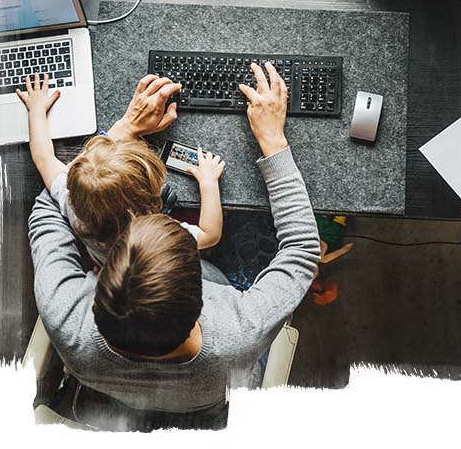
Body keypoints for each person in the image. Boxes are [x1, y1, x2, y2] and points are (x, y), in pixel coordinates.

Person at [27, 62, 321, 426]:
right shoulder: (240, 331)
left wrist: (121, 134)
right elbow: (302, 251)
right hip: (210, 410)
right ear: (201, 295)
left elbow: (50, 204)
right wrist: (273, 140)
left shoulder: (64, 316)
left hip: (112, 401)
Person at [16, 73, 225, 265]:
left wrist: (36, 111)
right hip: (150, 262)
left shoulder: (72, 203)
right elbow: (210, 234)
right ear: (150, 200)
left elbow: (44, 158)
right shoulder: (157, 235)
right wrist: (209, 183)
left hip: (107, 262)